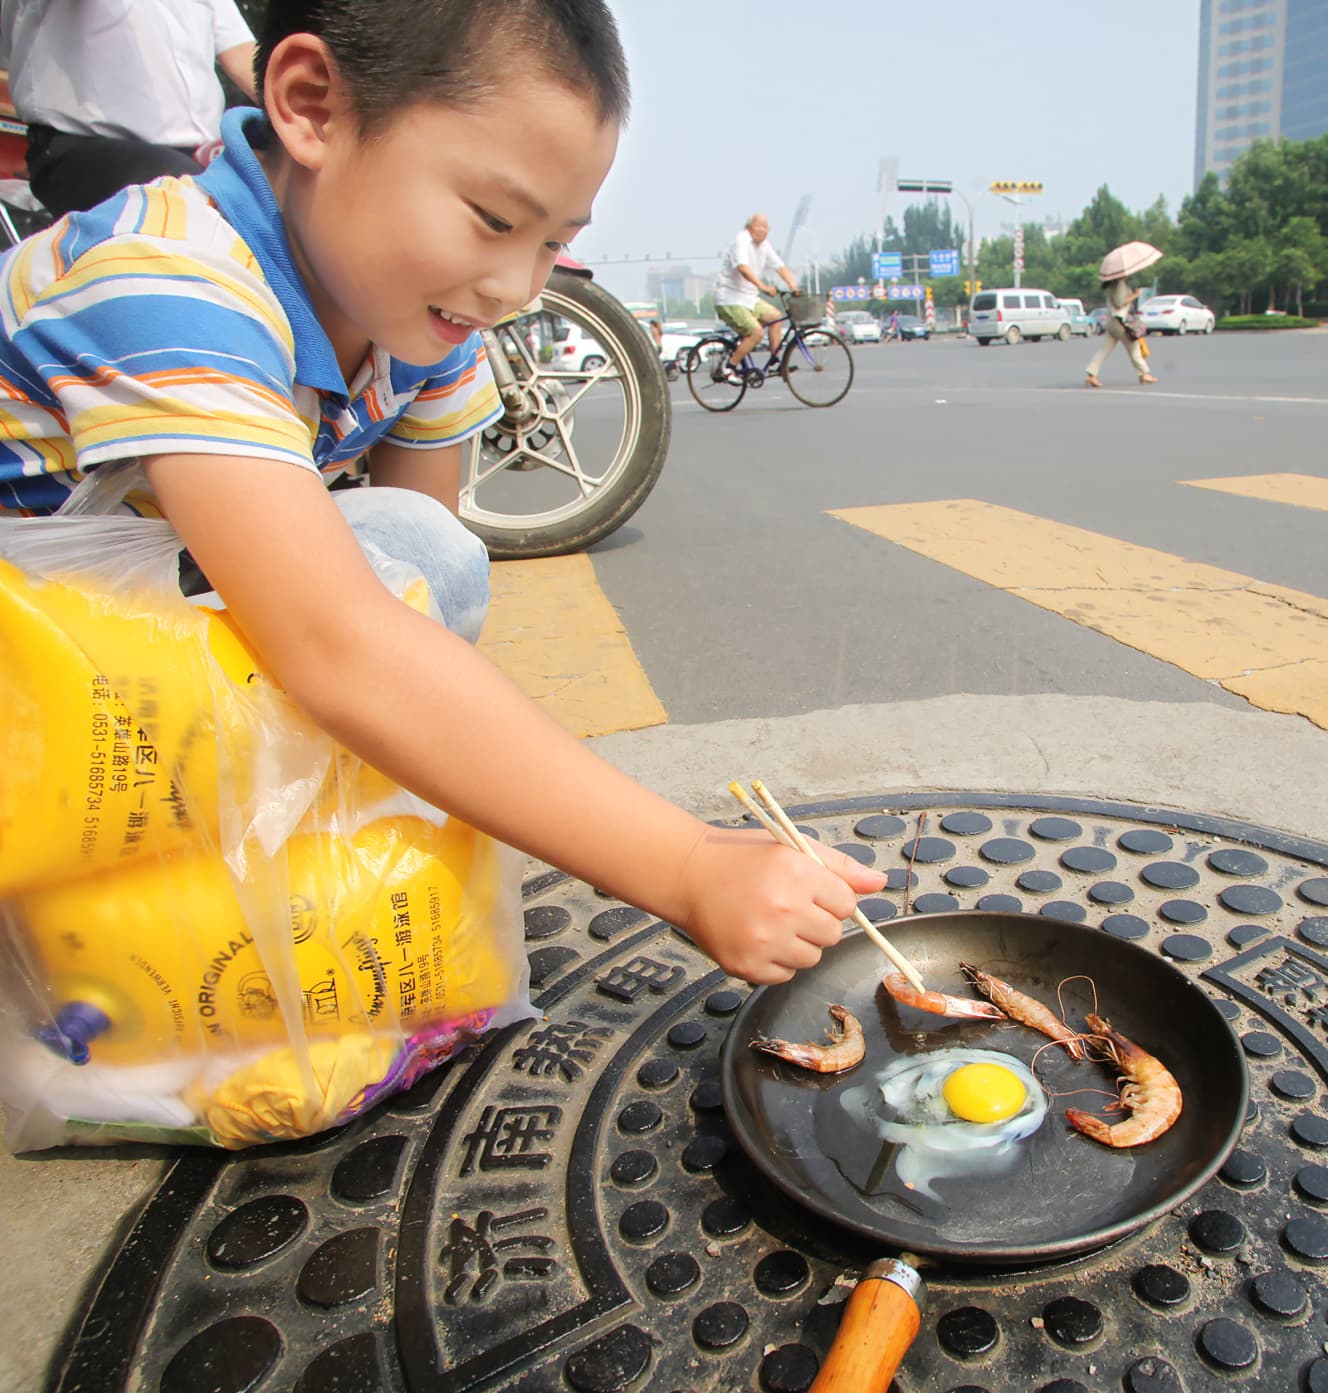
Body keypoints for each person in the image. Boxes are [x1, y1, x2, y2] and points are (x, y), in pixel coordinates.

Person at [0, 0, 882, 986]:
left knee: (425, 561)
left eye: (550, 242)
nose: (514, 283)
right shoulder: (165, 274)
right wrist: (679, 863)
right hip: (33, 687)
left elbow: (417, 595)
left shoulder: (420, 319)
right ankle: (89, 905)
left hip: (119, 650)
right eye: (493, 219)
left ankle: (223, 854)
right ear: (309, 106)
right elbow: (342, 642)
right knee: (387, 586)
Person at [0, 0, 258, 217]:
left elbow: (243, 56)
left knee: (272, 198)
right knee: (197, 203)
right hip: (85, 147)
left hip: (199, 156)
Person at [713, 212, 799, 377]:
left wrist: (793, 286)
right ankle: (729, 368)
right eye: (758, 226)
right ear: (749, 227)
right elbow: (743, 268)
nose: (762, 230)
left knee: (775, 317)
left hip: (749, 298)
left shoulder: (765, 245)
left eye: (766, 227)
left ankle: (776, 361)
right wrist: (763, 287)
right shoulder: (742, 241)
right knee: (756, 333)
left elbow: (779, 266)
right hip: (730, 299)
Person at [1085, 275, 1157, 387]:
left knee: (1104, 350)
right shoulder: (1119, 284)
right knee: (1133, 346)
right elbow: (1119, 302)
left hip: (1111, 320)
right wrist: (1135, 295)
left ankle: (1091, 375)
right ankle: (1143, 373)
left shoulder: (1113, 284)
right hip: (1118, 320)